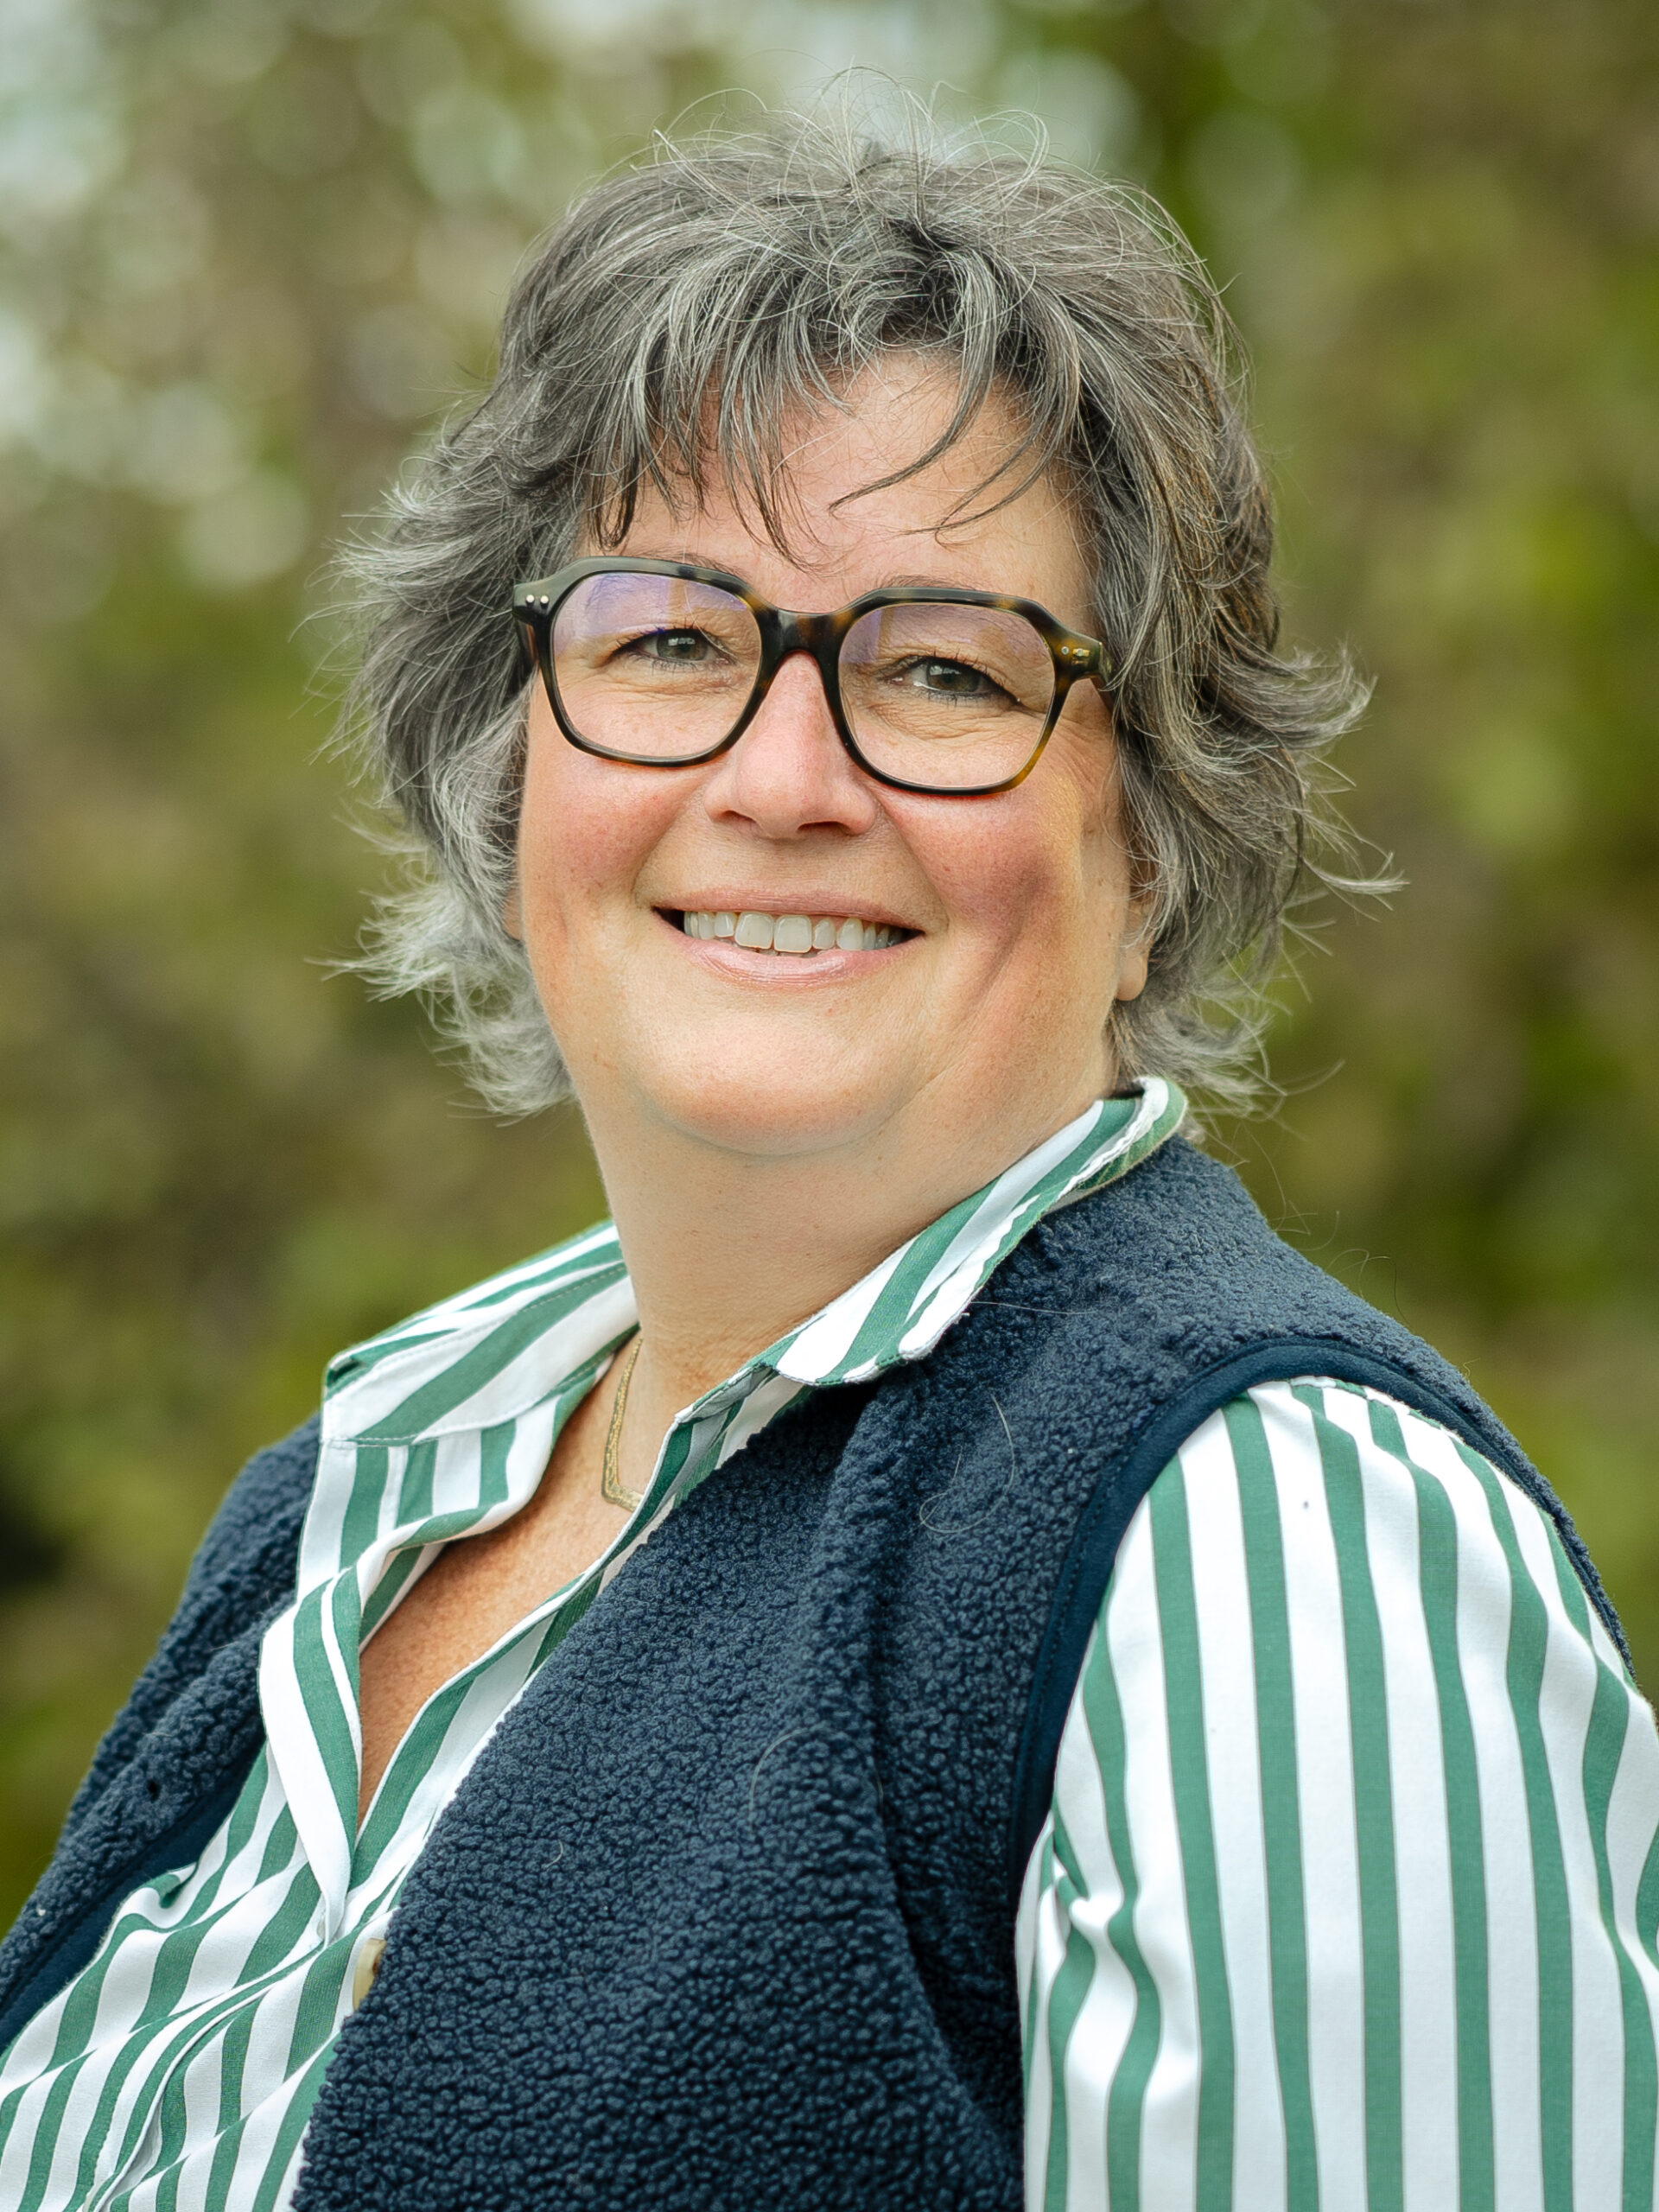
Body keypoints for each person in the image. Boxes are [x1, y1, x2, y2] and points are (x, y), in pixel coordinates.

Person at [0, 106, 1654, 2212]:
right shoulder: (357, 1490)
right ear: (515, 773)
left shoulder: (1263, 1534)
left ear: (1150, 848)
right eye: (671, 639)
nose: (784, 777)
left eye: (944, 668)